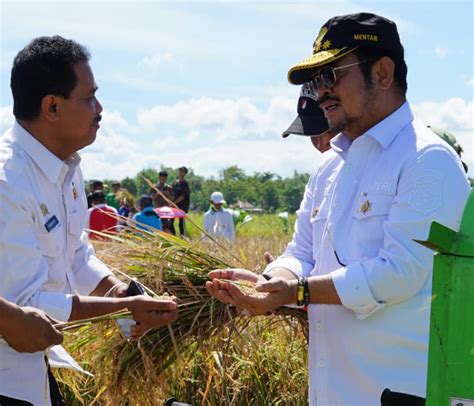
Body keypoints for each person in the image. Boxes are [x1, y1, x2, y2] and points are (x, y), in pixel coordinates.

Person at [206, 13, 471, 405]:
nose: (319, 94)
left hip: (397, 392)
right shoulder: (330, 165)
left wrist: (296, 291)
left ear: (382, 72)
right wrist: (269, 281)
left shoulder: (427, 159)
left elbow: (399, 274)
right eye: (315, 83)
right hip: (332, 390)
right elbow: (301, 252)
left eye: (331, 77)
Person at [0, 36, 177, 405]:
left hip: (36, 373)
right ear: (51, 106)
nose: (100, 108)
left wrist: (118, 291)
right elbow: (25, 305)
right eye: (89, 97)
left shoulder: (65, 169)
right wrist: (125, 309)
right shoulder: (8, 183)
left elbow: (76, 256)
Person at [171, 166, 191, 237]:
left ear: (185, 173)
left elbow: (183, 196)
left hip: (182, 206)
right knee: (171, 222)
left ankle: (182, 237)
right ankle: (173, 236)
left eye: (182, 171)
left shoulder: (185, 184)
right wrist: (171, 202)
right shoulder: (175, 183)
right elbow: (172, 193)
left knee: (181, 223)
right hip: (174, 206)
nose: (180, 173)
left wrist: (174, 203)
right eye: (180, 171)